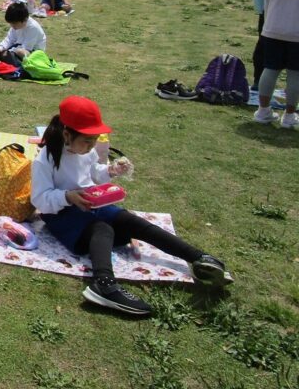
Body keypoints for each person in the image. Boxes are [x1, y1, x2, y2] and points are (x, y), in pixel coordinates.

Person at [32, 95, 232, 317]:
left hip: (89, 204)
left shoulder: (86, 151)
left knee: (127, 220)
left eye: (94, 140)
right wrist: (68, 197)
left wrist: (110, 171)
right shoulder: (45, 159)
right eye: (87, 141)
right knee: (102, 229)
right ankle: (103, 284)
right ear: (67, 134)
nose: (91, 146)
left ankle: (198, 258)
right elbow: (40, 200)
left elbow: (93, 173)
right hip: (62, 215)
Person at [253, 0, 299, 127]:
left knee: (270, 68)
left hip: (274, 28)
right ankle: (289, 115)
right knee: (295, 73)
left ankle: (263, 110)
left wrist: (269, 22)